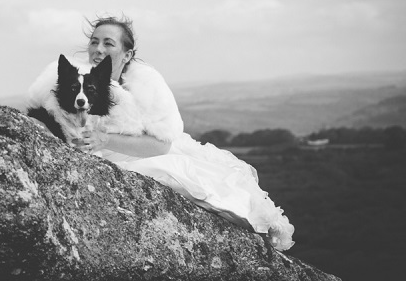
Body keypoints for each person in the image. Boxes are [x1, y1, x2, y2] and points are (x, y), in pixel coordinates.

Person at [28, 15, 295, 251]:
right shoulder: (71, 76)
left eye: (108, 43)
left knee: (196, 184)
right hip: (94, 155)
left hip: (139, 154)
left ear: (127, 54)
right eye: (94, 42)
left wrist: (105, 139)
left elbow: (161, 145)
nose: (98, 49)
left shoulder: (146, 85)